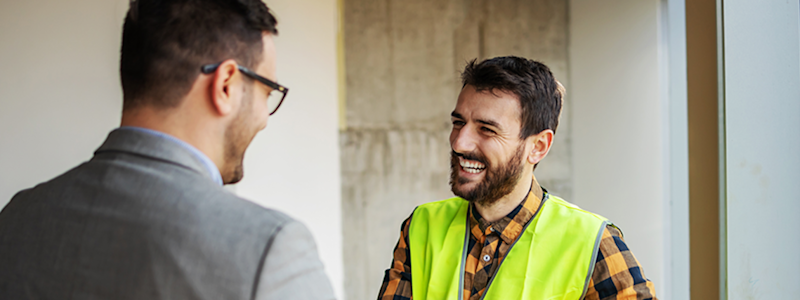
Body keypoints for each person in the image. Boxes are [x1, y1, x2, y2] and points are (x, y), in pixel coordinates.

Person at [0, 1, 335, 299]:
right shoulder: (271, 249)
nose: (264, 118)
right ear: (225, 85)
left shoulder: (16, 218)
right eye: (268, 92)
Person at [378, 57, 657, 300]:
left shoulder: (594, 243)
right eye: (458, 123)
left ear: (538, 147)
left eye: (487, 129)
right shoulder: (421, 226)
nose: (460, 143)